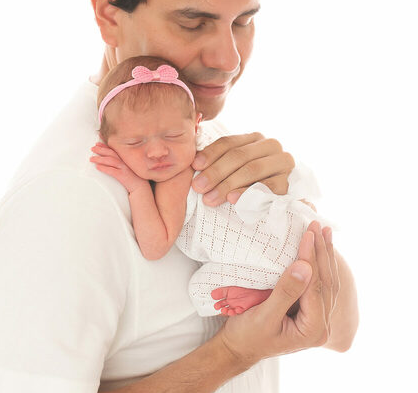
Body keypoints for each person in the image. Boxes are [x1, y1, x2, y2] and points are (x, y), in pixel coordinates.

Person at [0, 0, 359, 393]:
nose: (229, 59)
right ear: (108, 11)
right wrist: (232, 354)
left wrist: (296, 223)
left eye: (243, 21)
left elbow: (338, 332)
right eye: (193, 23)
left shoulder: (209, 143)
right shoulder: (68, 197)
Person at [91, 55, 335, 317]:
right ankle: (276, 291)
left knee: (199, 291)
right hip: (301, 231)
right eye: (135, 142)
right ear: (105, 140)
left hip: (267, 262)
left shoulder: (174, 180)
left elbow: (154, 247)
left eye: (173, 136)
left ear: (196, 125)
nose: (158, 152)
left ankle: (268, 294)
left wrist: (137, 188)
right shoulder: (215, 139)